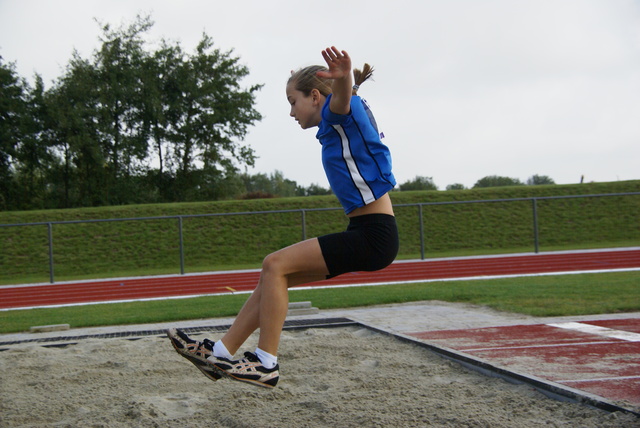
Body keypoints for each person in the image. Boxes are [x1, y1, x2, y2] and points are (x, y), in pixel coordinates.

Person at [168, 46, 399, 388]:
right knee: (273, 277)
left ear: (316, 96)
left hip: (374, 234)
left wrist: (345, 77)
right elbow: (344, 101)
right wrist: (346, 83)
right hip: (368, 230)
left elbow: (342, 99)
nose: (291, 112)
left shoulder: (340, 113)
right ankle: (220, 352)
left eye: (293, 101)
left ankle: (266, 363)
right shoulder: (340, 122)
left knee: (274, 264)